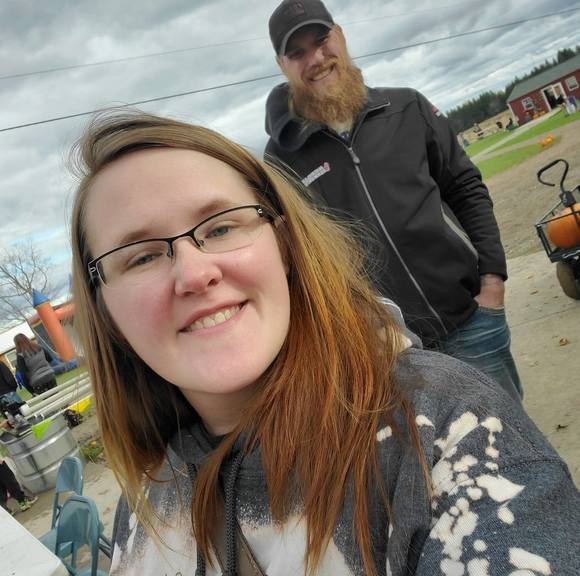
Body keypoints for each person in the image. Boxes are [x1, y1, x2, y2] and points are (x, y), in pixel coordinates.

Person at [69, 109, 579, 576]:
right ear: (104, 310)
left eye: (221, 227)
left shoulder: (444, 433)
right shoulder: (143, 500)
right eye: (141, 256)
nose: (195, 273)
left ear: (284, 244)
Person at [264, 0, 523, 402]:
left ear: (341, 36)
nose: (315, 59)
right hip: (391, 355)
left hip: (472, 322)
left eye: (322, 40)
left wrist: (492, 282)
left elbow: (465, 187)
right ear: (283, 65)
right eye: (297, 52)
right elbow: (300, 262)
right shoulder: (282, 160)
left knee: (511, 434)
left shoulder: (407, 108)